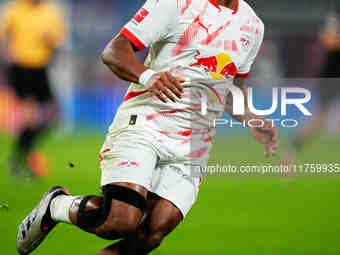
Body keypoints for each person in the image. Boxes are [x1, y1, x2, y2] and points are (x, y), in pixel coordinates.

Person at [16, 0, 278, 254]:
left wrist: (252, 118)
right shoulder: (177, 4)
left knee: (150, 234)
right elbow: (114, 51)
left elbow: (230, 88)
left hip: (193, 146)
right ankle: (57, 206)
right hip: (145, 124)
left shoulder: (252, 25)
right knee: (121, 220)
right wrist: (148, 76)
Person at [0, 0, 66, 177]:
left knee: (53, 116)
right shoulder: (15, 9)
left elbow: (57, 40)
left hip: (41, 68)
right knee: (29, 116)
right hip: (20, 67)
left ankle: (21, 154)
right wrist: (7, 53)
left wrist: (49, 41)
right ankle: (22, 160)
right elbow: (4, 34)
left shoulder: (51, 11)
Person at [282, 9, 340, 166]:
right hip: (333, 73)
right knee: (317, 120)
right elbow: (328, 40)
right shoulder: (336, 14)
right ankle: (291, 152)